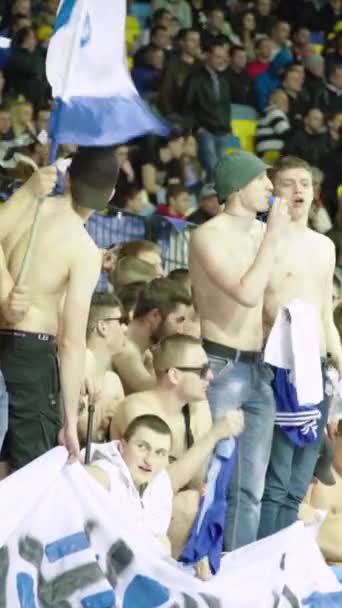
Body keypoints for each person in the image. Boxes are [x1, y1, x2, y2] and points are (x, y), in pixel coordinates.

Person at [189, 150, 290, 551]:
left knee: (251, 489)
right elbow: (247, 293)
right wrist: (273, 237)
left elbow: (271, 298)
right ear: (238, 187)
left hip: (257, 366)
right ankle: (205, 567)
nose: (270, 186)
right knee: (217, 479)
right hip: (222, 364)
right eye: (262, 180)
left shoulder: (259, 234)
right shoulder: (207, 235)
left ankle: (237, 575)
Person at [0, 147, 119, 472]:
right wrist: (69, 420)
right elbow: (71, 341)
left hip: (8, 343)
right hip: (30, 355)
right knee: (26, 474)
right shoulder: (83, 249)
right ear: (109, 195)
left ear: (67, 179)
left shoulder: (24, 208)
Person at [259, 155, 342, 539]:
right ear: (272, 191)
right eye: (288, 183)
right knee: (276, 479)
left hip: (318, 369)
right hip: (281, 366)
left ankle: (284, 559)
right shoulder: (262, 243)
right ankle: (263, 557)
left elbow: (326, 314)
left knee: (297, 482)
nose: (298, 191)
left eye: (304, 183)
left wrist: (339, 363)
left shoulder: (325, 246)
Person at [111, 333, 244, 557]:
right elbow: (154, 488)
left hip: (162, 514)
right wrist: (212, 436)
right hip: (127, 514)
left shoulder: (197, 409)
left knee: (201, 500)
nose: (210, 376)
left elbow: (196, 482)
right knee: (188, 504)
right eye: (202, 371)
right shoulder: (138, 410)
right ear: (174, 375)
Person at [86, 409, 243, 559]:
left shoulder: (157, 481)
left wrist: (216, 433)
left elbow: (183, 468)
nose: (149, 460)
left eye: (159, 453)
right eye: (142, 447)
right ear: (122, 447)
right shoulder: (105, 473)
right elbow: (87, 476)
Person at [112, 278, 192, 394]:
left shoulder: (146, 354)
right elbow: (159, 394)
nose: (181, 330)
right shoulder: (125, 350)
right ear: (154, 316)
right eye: (178, 321)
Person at [78, 293, 126, 445]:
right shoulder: (73, 371)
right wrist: (106, 408)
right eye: (121, 321)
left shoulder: (113, 380)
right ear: (102, 326)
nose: (125, 328)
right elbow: (81, 432)